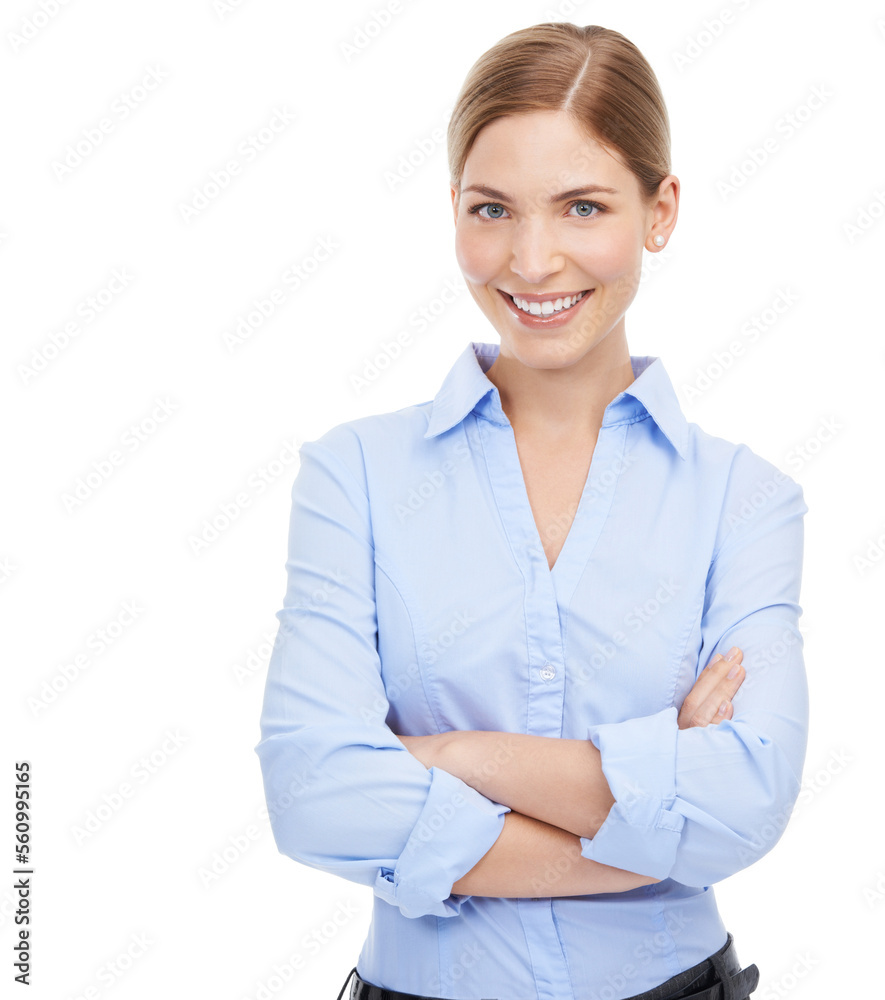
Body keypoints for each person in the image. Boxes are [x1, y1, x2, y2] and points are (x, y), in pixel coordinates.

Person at [254, 22, 808, 1000]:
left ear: (660, 209)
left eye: (583, 205)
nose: (534, 258)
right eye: (493, 209)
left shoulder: (745, 499)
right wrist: (640, 829)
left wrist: (451, 756)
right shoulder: (355, 477)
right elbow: (314, 793)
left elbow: (745, 801)